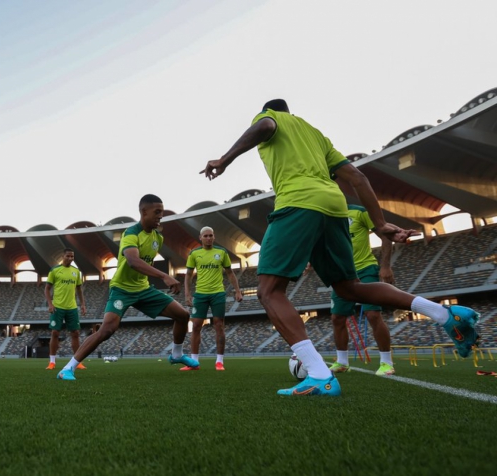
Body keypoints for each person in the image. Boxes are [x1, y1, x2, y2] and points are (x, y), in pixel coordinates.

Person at [201, 99, 479, 396]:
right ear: (292, 112)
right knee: (350, 288)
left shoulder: (271, 119)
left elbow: (266, 125)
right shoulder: (317, 136)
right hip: (335, 208)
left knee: (269, 291)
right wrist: (380, 223)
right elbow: (358, 178)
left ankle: (319, 374)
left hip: (297, 203)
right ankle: (445, 314)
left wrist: (225, 159)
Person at [57, 194, 198, 381]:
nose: (160, 216)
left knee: (183, 315)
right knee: (107, 329)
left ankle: (177, 355)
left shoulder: (158, 238)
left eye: (162, 212)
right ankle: (67, 368)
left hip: (143, 289)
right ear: (143, 212)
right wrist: (164, 276)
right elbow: (133, 261)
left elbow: (145, 262)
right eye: (157, 212)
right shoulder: (131, 233)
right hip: (122, 289)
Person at [328, 204, 396, 376]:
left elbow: (386, 235)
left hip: (366, 268)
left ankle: (386, 363)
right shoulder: (326, 216)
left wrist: (386, 266)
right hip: (341, 273)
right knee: (337, 318)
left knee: (373, 315)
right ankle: (342, 362)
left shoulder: (359, 211)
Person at [182, 226, 242, 371]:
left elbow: (230, 273)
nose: (208, 238)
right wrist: (187, 294)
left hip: (218, 293)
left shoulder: (221, 252)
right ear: (200, 237)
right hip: (200, 294)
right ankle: (194, 362)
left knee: (219, 325)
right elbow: (188, 275)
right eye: (206, 236)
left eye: (211, 235)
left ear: (214, 237)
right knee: (196, 325)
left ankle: (219, 361)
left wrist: (238, 291)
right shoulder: (194, 253)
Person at [44, 248, 87, 370]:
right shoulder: (55, 270)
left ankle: (77, 362)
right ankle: (52, 362)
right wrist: (50, 304)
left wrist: (83, 304)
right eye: (68, 256)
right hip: (58, 307)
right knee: (55, 333)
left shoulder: (76, 272)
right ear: (63, 256)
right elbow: (47, 288)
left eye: (72, 257)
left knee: (75, 333)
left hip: (72, 307)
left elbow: (79, 289)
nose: (70, 259)